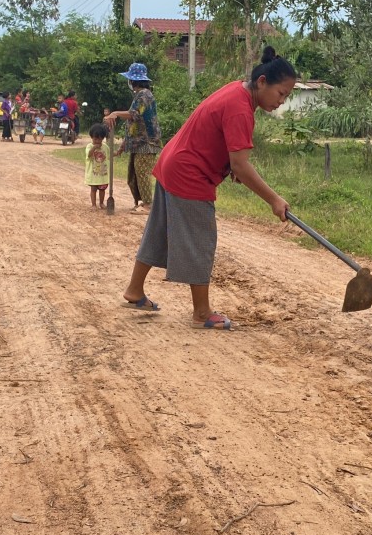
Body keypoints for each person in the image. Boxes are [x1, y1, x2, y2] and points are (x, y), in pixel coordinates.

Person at [122, 46, 296, 330]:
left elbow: (225, 151)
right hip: (189, 173)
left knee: (158, 232)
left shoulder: (236, 91)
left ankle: (134, 290)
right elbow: (241, 164)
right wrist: (274, 199)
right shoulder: (241, 109)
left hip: (173, 162)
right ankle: (202, 313)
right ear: (263, 82)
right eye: (281, 94)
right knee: (201, 239)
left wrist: (229, 167)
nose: (282, 101)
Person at [104, 63, 162, 215]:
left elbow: (135, 114)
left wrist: (115, 113)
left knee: (142, 172)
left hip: (147, 142)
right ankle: (142, 202)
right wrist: (122, 147)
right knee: (133, 175)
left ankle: (148, 205)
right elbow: (133, 125)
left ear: (133, 81)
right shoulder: (138, 96)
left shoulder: (145, 95)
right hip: (137, 143)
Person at [85, 123, 110, 209]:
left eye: (99, 139)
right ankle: (93, 204)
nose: (97, 141)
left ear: (103, 138)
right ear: (91, 137)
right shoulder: (89, 146)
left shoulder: (105, 147)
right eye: (95, 139)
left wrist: (117, 153)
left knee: (102, 189)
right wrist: (94, 148)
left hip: (102, 174)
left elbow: (109, 155)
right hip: (94, 174)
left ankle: (102, 203)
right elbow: (89, 155)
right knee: (93, 189)